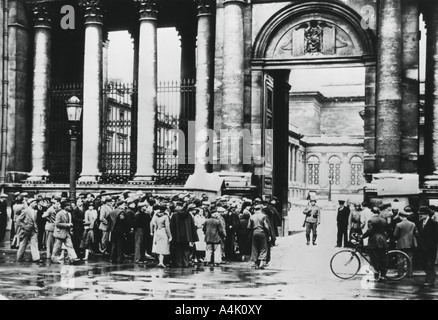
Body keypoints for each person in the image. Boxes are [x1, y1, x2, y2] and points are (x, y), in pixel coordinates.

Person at [170, 201, 199, 267]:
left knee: (178, 250)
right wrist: (193, 237)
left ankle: (179, 264)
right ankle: (186, 263)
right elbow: (192, 226)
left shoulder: (175, 215)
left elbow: (172, 226)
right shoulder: (189, 215)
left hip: (177, 236)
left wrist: (172, 237)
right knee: (186, 249)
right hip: (187, 236)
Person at [362, 212, 388, 282]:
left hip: (374, 242)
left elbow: (369, 231)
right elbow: (387, 230)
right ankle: (383, 276)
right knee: (383, 259)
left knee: (374, 260)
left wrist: (362, 236)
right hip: (383, 241)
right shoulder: (384, 220)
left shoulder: (371, 221)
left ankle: (376, 276)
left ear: (372, 214)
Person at [393, 209, 418, 277]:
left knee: (400, 258)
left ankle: (400, 273)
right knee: (409, 258)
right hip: (410, 243)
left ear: (401, 217)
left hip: (401, 243)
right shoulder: (412, 224)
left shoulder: (398, 224)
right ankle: (409, 273)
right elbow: (416, 233)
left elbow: (395, 235)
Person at [418, 207, 438, 287]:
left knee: (430, 264)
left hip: (431, 247)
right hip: (422, 247)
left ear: (427, 214)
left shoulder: (434, 223)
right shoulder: (419, 222)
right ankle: (431, 275)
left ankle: (430, 280)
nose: (421, 216)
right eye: (420, 214)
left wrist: (434, 244)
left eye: (422, 214)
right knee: (423, 263)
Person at [16, 198, 41, 263]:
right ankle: (19, 257)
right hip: (26, 230)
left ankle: (36, 258)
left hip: (34, 230)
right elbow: (18, 221)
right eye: (35, 203)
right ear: (30, 203)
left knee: (34, 244)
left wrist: (36, 229)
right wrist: (24, 226)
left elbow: (35, 221)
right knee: (23, 244)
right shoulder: (25, 211)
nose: (36, 204)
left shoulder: (35, 211)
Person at [247, 204, 271, 269]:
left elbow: (249, 226)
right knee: (263, 247)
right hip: (262, 232)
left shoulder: (252, 216)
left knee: (254, 247)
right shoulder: (263, 216)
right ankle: (261, 262)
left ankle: (255, 263)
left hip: (254, 232)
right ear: (261, 209)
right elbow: (266, 226)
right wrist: (268, 235)